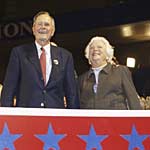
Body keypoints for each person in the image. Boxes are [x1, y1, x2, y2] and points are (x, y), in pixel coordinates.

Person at [0, 11, 79, 108]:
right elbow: (9, 89)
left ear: (53, 31)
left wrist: (73, 120)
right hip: (27, 118)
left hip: (55, 118)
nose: (43, 27)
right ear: (33, 29)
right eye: (39, 24)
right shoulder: (19, 53)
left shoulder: (66, 56)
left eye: (46, 24)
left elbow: (72, 94)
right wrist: (7, 117)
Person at [78, 36, 142, 109]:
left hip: (116, 119)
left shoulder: (121, 71)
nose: (95, 49)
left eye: (99, 47)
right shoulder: (82, 79)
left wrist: (137, 119)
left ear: (107, 54)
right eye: (91, 48)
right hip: (91, 120)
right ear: (88, 56)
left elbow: (133, 99)